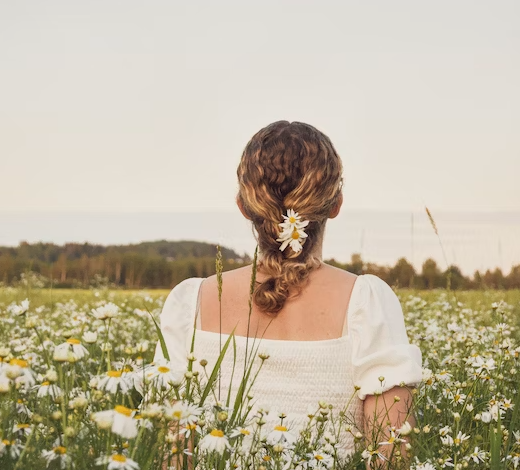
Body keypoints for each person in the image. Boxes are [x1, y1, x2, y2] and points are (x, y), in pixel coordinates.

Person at [155, 121, 423, 466]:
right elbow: (391, 453)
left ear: (242, 205)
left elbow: (174, 457)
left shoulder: (189, 303)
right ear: (335, 203)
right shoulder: (366, 301)